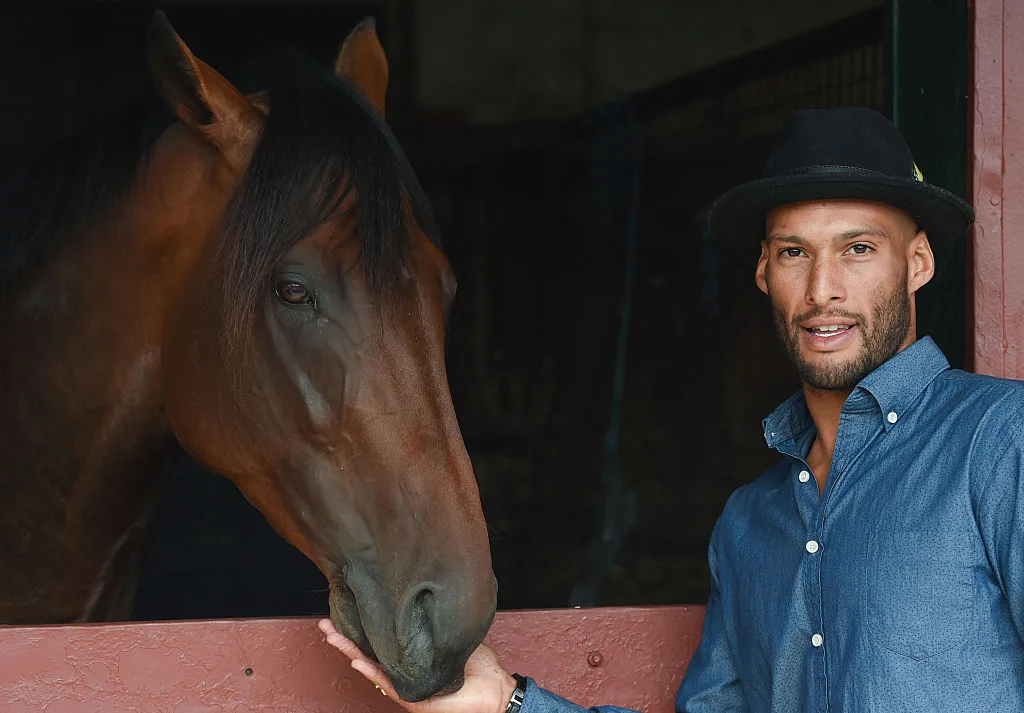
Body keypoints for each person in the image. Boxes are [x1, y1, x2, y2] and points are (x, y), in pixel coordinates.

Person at [319, 107, 1024, 711]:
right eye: (792, 253)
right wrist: (504, 699)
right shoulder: (750, 524)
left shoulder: (998, 443)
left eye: (859, 249)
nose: (823, 288)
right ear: (762, 273)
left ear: (919, 263)